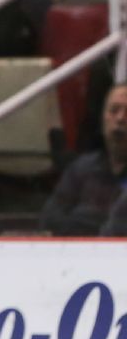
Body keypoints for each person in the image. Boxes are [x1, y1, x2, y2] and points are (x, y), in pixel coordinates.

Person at [39, 83, 127, 237]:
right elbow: (50, 219)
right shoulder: (82, 168)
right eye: (114, 110)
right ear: (102, 118)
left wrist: (82, 217)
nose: (120, 118)